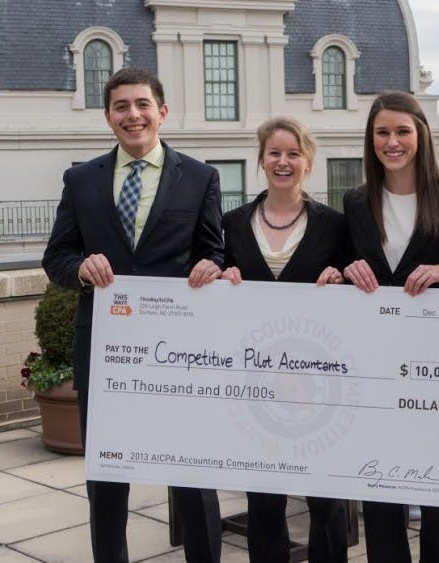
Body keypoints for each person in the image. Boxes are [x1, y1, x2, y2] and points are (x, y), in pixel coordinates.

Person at [42, 68, 224, 563]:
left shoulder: (202, 178)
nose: (133, 115)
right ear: (108, 117)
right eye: (121, 106)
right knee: (107, 481)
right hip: (106, 351)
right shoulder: (80, 180)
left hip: (179, 353)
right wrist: (80, 266)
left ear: (161, 112)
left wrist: (214, 266)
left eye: (142, 104)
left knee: (191, 475)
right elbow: (55, 257)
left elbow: (216, 253)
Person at [342, 91, 439, 563]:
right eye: (382, 132)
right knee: (378, 484)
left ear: (421, 134)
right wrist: (344, 271)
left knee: (437, 490)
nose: (392, 141)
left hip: (434, 364)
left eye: (402, 131)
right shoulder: (356, 202)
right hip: (374, 362)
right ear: (371, 139)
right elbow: (345, 268)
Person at [218, 116, 350, 563]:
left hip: (319, 381)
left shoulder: (335, 224)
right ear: (261, 160)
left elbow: (357, 285)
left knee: (326, 497)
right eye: (274, 152)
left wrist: (343, 277)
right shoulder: (232, 223)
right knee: (264, 497)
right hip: (257, 382)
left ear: (308, 162)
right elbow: (214, 282)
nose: (283, 161)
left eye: (293, 153)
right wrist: (223, 276)